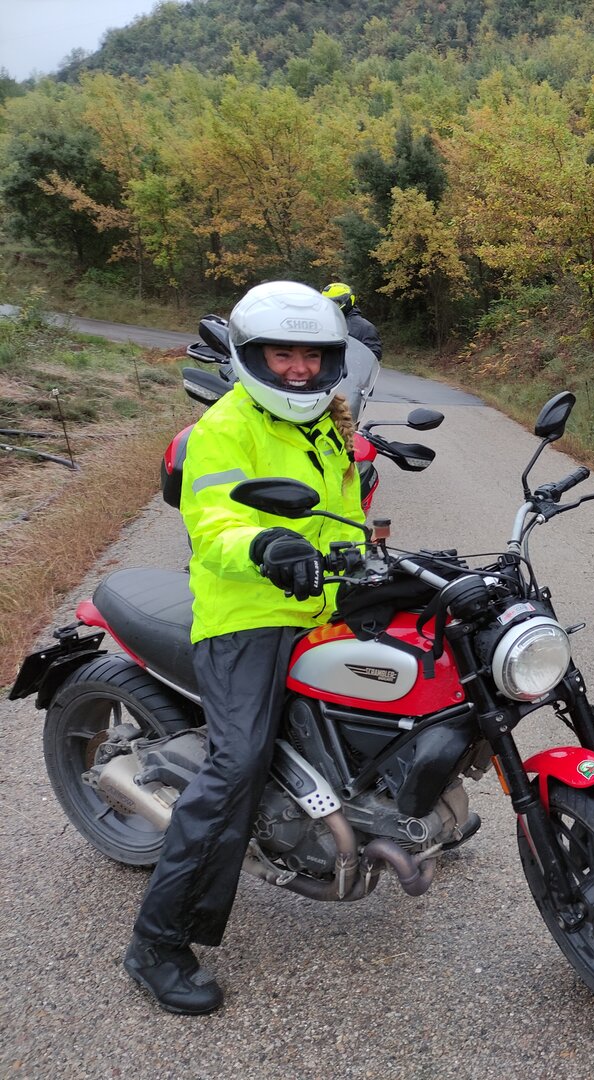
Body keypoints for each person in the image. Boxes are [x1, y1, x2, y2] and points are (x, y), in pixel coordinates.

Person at [124, 281, 365, 1014]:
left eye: (311, 356)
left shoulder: (325, 423)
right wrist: (264, 544)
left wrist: (366, 561)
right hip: (246, 614)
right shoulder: (225, 427)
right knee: (235, 768)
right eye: (281, 355)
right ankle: (156, 943)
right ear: (249, 357)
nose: (297, 369)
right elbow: (216, 522)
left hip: (320, 601)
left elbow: (342, 514)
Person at [322, 281, 383, 361]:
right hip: (325, 372)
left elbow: (373, 356)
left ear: (350, 301)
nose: (331, 307)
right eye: (327, 303)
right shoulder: (322, 323)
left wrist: (348, 357)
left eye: (336, 303)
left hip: (352, 372)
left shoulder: (365, 327)